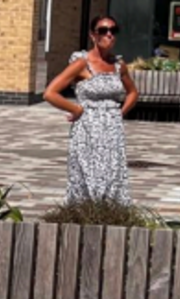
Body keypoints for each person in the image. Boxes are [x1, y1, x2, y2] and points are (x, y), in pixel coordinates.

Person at [43, 14, 137, 205]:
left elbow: (133, 93)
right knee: (88, 175)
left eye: (113, 30)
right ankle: (83, 218)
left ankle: (111, 218)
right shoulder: (81, 63)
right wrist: (76, 109)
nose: (109, 34)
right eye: (103, 30)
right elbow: (50, 93)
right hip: (88, 129)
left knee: (112, 175)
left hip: (112, 130)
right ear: (93, 35)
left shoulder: (118, 66)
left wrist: (119, 113)